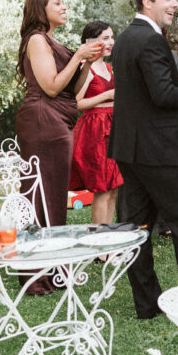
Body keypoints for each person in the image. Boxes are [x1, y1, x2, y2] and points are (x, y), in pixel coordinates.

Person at [108, 0, 178, 319]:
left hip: (131, 150)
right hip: (160, 151)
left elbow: (143, 89)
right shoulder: (151, 40)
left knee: (135, 230)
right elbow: (163, 96)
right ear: (146, 1)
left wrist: (174, 82)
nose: (175, 4)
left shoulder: (126, 38)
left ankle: (147, 304)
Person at [15, 0, 101, 295]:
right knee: (40, 196)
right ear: (41, 9)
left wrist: (88, 63)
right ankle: (35, 273)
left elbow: (73, 91)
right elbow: (51, 88)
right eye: (58, 3)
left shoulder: (53, 42)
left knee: (53, 197)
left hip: (58, 121)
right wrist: (77, 55)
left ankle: (54, 268)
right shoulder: (37, 40)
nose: (64, 7)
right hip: (42, 122)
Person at [69, 20, 123, 231]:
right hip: (95, 131)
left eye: (112, 37)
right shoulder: (87, 67)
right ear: (90, 42)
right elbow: (77, 103)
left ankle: (107, 234)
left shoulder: (108, 67)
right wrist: (107, 95)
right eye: (105, 38)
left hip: (113, 127)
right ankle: (99, 239)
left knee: (114, 187)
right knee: (102, 188)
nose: (111, 42)